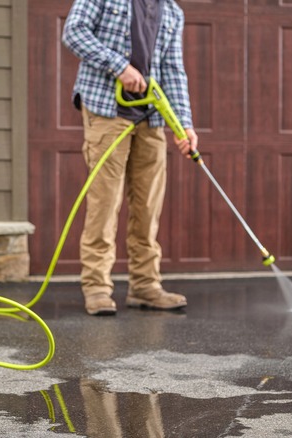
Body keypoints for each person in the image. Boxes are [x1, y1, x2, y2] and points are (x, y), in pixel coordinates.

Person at [62, 0, 198, 315]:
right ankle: (97, 287)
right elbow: (74, 32)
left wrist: (184, 124)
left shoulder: (172, 11)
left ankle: (145, 285)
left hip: (151, 116)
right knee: (105, 202)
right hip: (106, 111)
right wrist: (118, 66)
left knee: (149, 204)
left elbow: (173, 70)